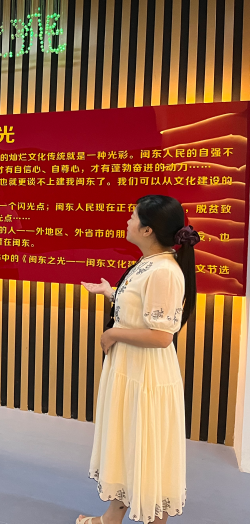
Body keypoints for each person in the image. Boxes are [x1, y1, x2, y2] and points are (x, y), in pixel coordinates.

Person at [78, 195, 197, 524]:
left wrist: (112, 334)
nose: (127, 222)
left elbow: (161, 336)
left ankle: (152, 518)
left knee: (145, 445)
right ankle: (112, 517)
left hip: (146, 375)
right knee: (126, 441)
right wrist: (111, 293)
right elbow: (143, 310)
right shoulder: (151, 262)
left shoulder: (164, 271)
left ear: (147, 230)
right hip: (130, 369)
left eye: (132, 217)